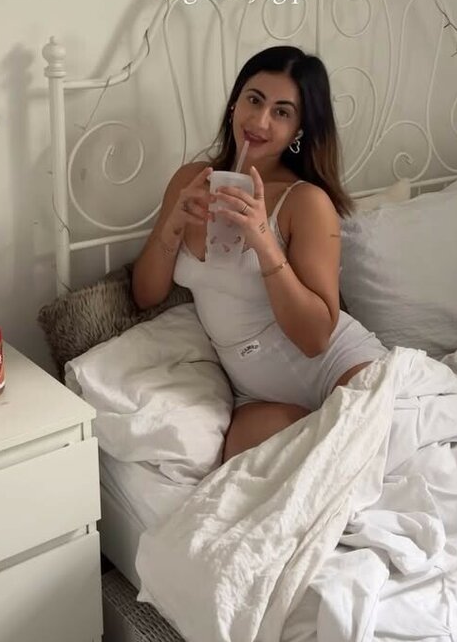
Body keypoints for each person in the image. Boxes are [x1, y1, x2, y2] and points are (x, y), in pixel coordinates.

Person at [132, 45, 387, 461]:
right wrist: (174, 224)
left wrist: (264, 242)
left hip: (335, 367)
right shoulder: (190, 181)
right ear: (235, 103)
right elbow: (145, 295)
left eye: (282, 112)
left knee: (366, 455)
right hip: (256, 393)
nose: (260, 121)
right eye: (254, 100)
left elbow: (315, 339)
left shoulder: (306, 202)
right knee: (247, 470)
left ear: (299, 130)